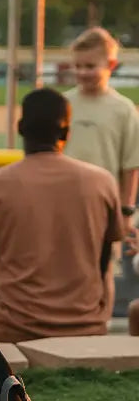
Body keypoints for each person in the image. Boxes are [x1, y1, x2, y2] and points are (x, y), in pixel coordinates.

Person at [0, 88, 122, 344]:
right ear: (66, 132)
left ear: (20, 128)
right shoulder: (103, 182)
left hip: (11, 326)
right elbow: (101, 266)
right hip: (87, 324)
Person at [63, 25, 139, 242]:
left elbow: (131, 165)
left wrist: (126, 211)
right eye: (77, 66)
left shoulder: (123, 109)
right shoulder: (64, 104)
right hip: (64, 200)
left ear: (111, 65)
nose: (82, 72)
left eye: (90, 66)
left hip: (103, 203)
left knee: (100, 267)